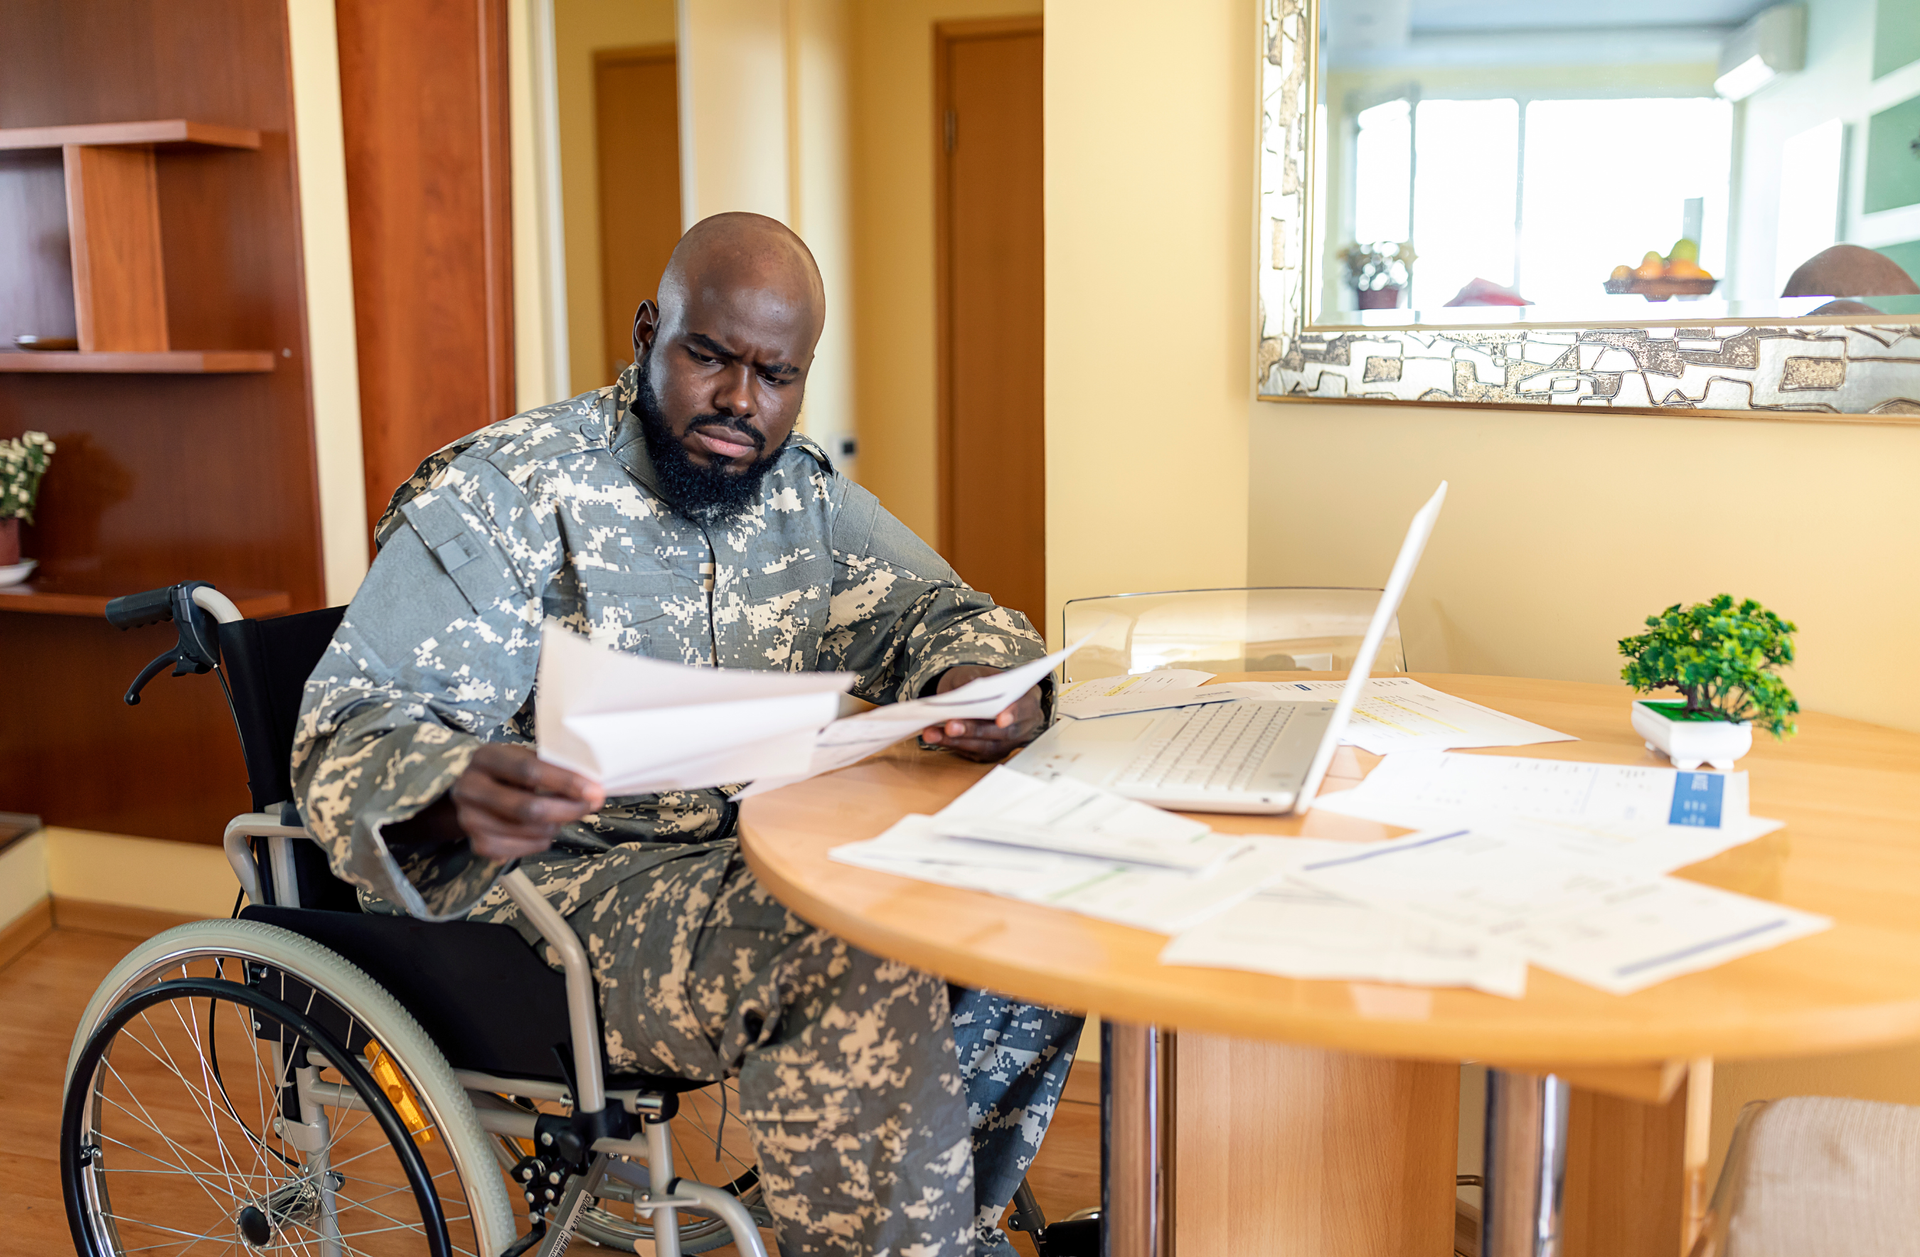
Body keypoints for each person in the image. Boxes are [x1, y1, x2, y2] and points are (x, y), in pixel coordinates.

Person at [293, 212, 1080, 1257]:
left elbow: (951, 612)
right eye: (708, 356)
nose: (739, 404)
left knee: (1034, 884)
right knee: (839, 944)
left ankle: (936, 1224)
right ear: (646, 333)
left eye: (776, 375)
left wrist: (974, 676)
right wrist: (447, 782)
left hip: (740, 857)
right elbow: (346, 729)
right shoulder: (504, 498)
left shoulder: (798, 496)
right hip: (554, 900)